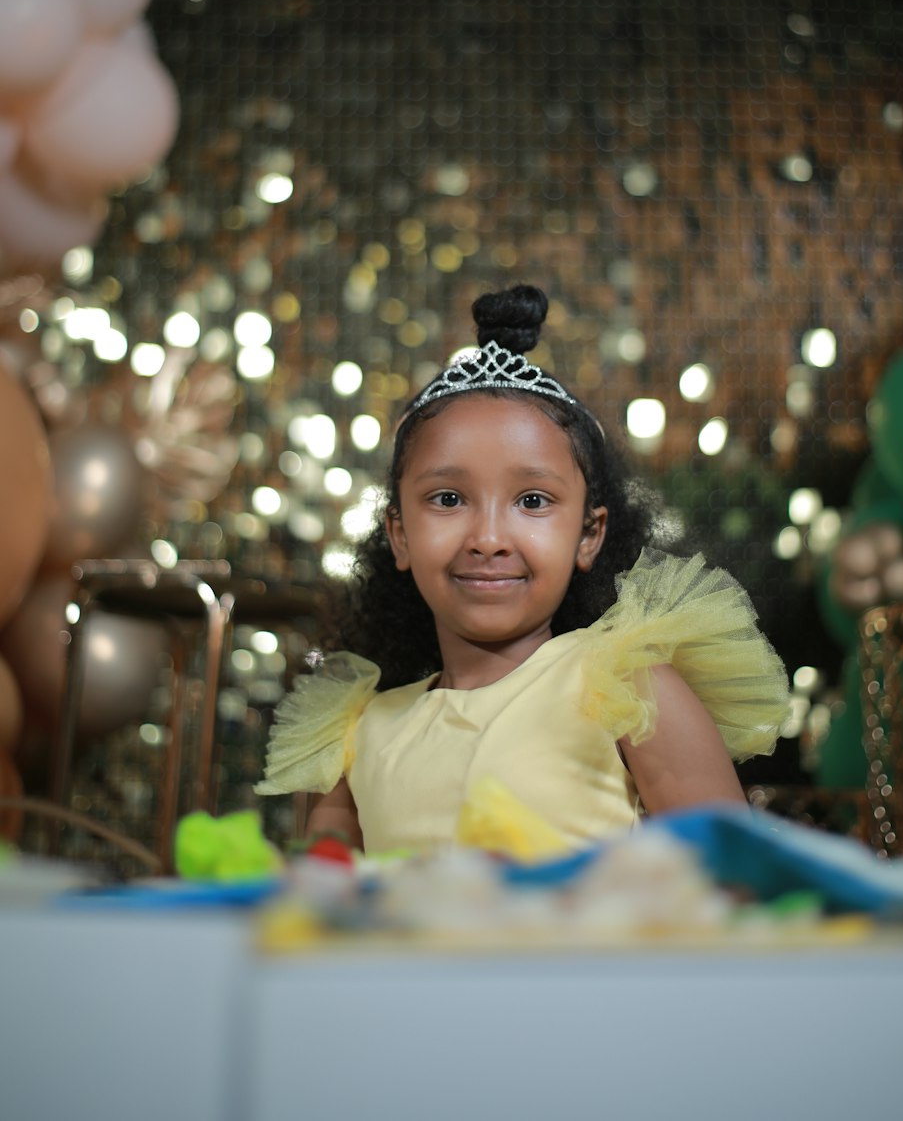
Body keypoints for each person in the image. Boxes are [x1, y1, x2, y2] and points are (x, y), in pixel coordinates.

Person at [257, 284, 789, 855]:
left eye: (532, 501)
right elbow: (322, 909)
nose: (487, 539)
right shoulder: (358, 734)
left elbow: (735, 884)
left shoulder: (629, 690)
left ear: (588, 535)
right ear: (400, 535)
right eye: (448, 499)